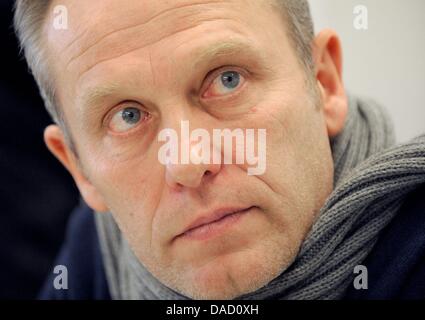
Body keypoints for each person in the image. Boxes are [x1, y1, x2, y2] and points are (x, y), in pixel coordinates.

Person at [13, 0, 425, 300]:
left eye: (227, 79)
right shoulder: (102, 248)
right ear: (81, 169)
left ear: (324, 82)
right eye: (128, 117)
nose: (189, 163)